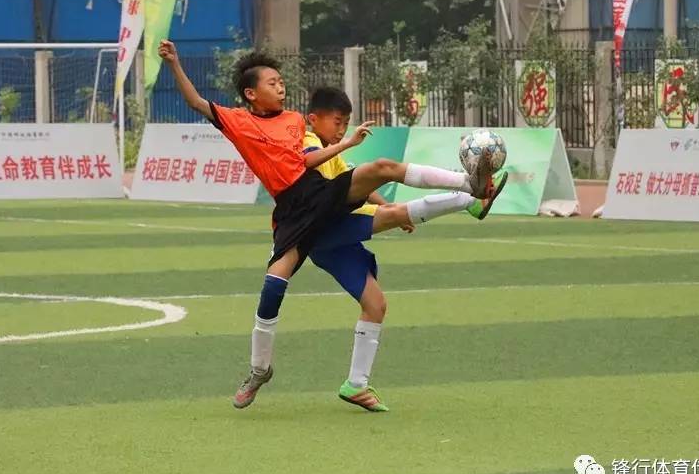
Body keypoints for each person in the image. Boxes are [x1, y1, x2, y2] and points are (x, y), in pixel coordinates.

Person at [157, 40, 503, 410]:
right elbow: (196, 101)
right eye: (272, 82)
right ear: (250, 93)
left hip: (318, 193)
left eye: (281, 81)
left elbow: (308, 167)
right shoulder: (237, 121)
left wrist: (347, 147)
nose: (280, 86)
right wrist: (176, 63)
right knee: (274, 285)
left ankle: (470, 186)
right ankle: (259, 370)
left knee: (381, 169)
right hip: (293, 211)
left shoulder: (293, 121)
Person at [303, 87, 507, 411]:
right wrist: (388, 210)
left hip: (329, 236)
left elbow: (356, 184)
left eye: (345, 123)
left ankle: (355, 385)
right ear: (314, 119)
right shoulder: (309, 142)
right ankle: (471, 197)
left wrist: (385, 204)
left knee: (376, 304)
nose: (342, 129)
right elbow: (320, 171)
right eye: (337, 122)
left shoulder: (333, 153)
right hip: (322, 226)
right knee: (393, 200)